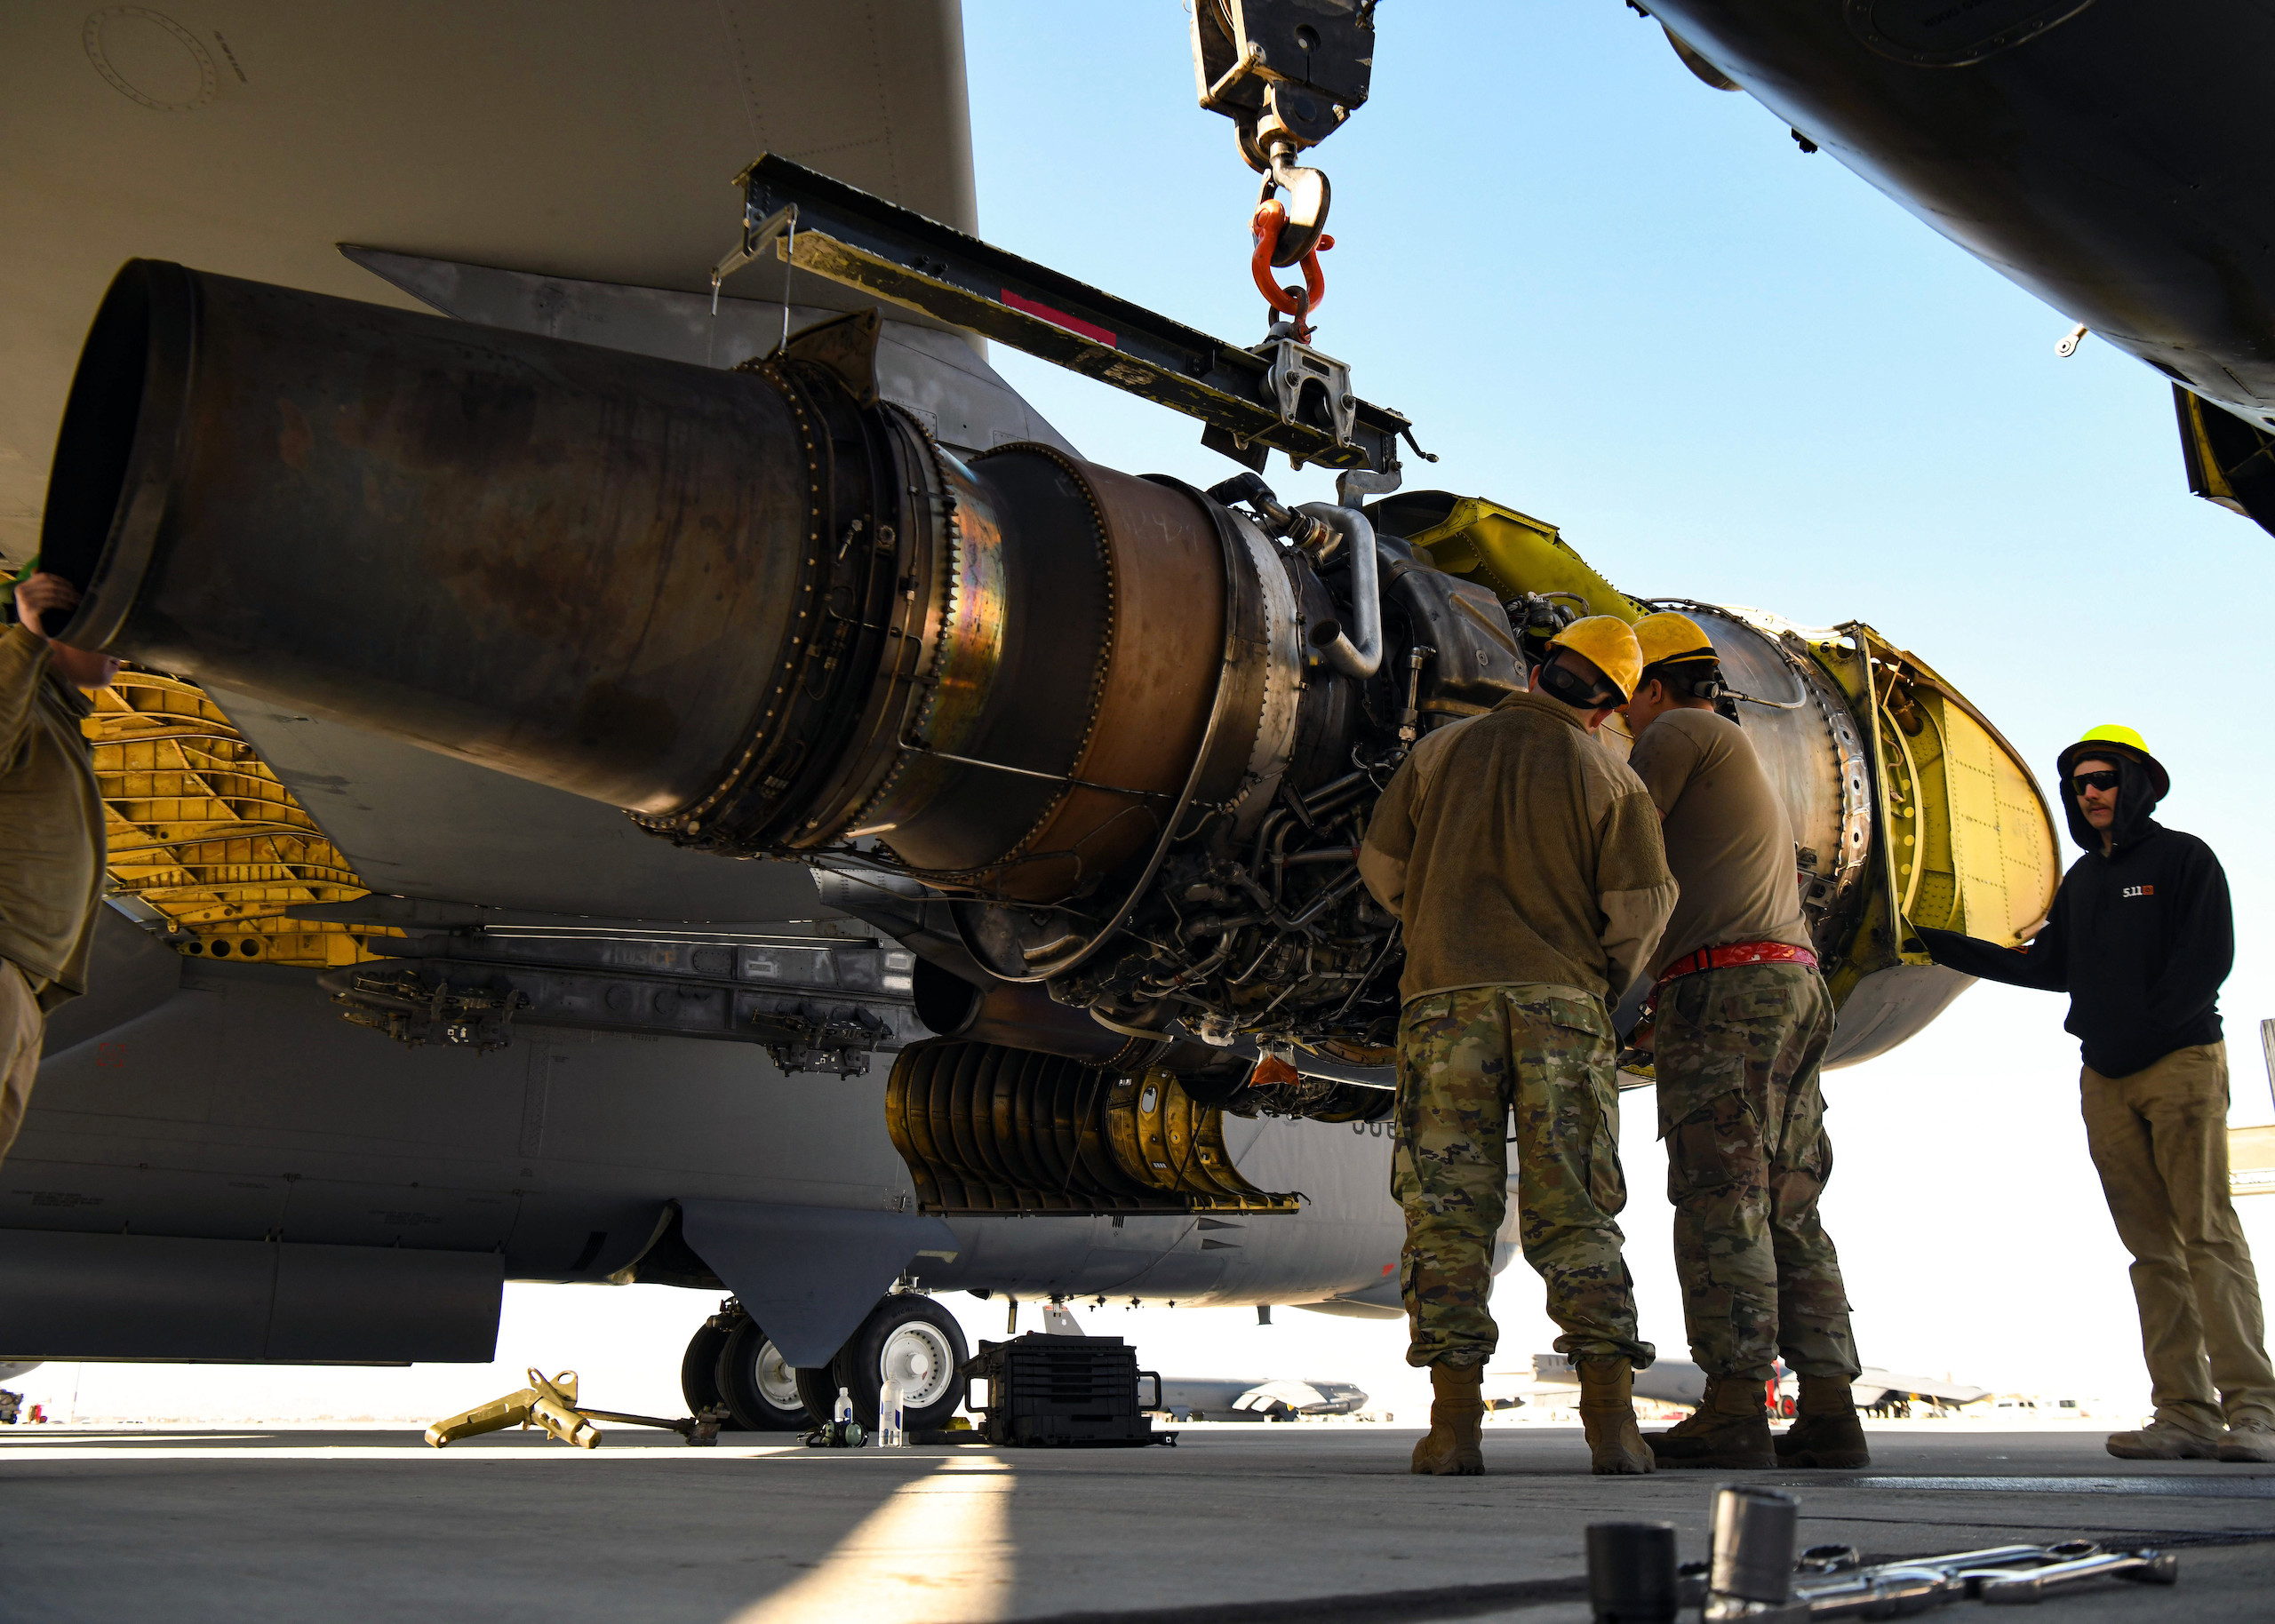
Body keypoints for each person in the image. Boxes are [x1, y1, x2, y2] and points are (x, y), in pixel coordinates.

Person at [1360, 616, 1676, 1476]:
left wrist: (1440, 918)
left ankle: (1454, 1429)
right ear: (1609, 706)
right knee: (1573, 1209)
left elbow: (1382, 867)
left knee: (1446, 1213)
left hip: (1442, 1005)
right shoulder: (1609, 776)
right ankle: (1611, 1425)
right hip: (1559, 1008)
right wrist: (1595, 977)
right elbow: (1642, 907)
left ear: (1538, 671)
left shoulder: (1438, 753)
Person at [1917, 725, 2275, 1464]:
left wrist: (2150, 1029)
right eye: (2079, 783)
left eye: (2104, 779)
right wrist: (1941, 943)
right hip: (2104, 1077)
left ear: (2137, 783)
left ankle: (2258, 1413)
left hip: (2180, 1065)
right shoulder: (2082, 880)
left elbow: (2209, 960)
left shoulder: (2185, 859)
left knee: (2207, 1235)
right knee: (2151, 1252)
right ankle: (2185, 1414)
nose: (2090, 793)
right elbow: (2049, 967)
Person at [1617, 612, 1865, 1471]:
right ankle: (1830, 1407)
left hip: (1727, 992)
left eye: (1624, 698)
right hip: (1786, 983)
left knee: (1722, 1195)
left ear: (1651, 686)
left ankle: (1734, 1406)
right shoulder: (1728, 744)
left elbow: (1617, 840)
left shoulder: (1679, 731)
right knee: (1789, 1204)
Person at [2, 564, 117, 1161]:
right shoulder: (21, 701)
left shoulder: (56, 721)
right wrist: (26, 636)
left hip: (24, 982)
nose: (122, 650)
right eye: (105, 629)